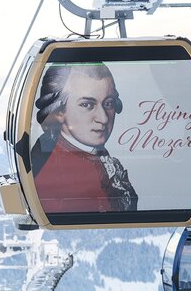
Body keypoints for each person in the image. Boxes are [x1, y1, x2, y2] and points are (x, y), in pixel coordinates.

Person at [31, 62, 138, 213]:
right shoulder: (54, 174)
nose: (103, 118)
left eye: (108, 103)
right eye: (87, 105)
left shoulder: (94, 153)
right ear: (59, 111)